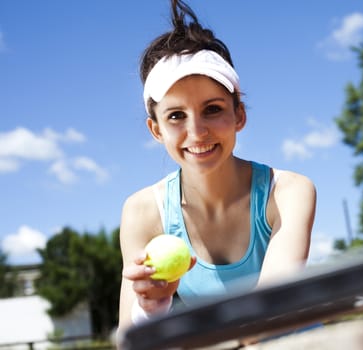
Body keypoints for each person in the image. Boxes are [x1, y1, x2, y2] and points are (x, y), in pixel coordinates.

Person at [117, 0, 316, 336]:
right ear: (156, 130)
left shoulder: (289, 192)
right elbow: (132, 340)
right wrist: (150, 309)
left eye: (212, 109)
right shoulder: (142, 212)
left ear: (239, 115)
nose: (197, 132)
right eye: (176, 116)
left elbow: (268, 316)